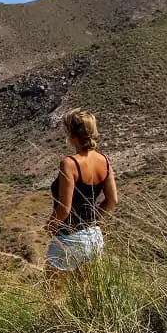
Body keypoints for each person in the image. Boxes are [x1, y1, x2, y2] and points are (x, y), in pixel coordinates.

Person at [44, 109, 118, 278]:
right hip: (93, 237)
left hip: (68, 237)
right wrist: (94, 219)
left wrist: (49, 226)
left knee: (52, 293)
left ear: (71, 134)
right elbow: (112, 200)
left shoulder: (69, 164)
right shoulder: (104, 160)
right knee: (86, 294)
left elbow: (64, 208)